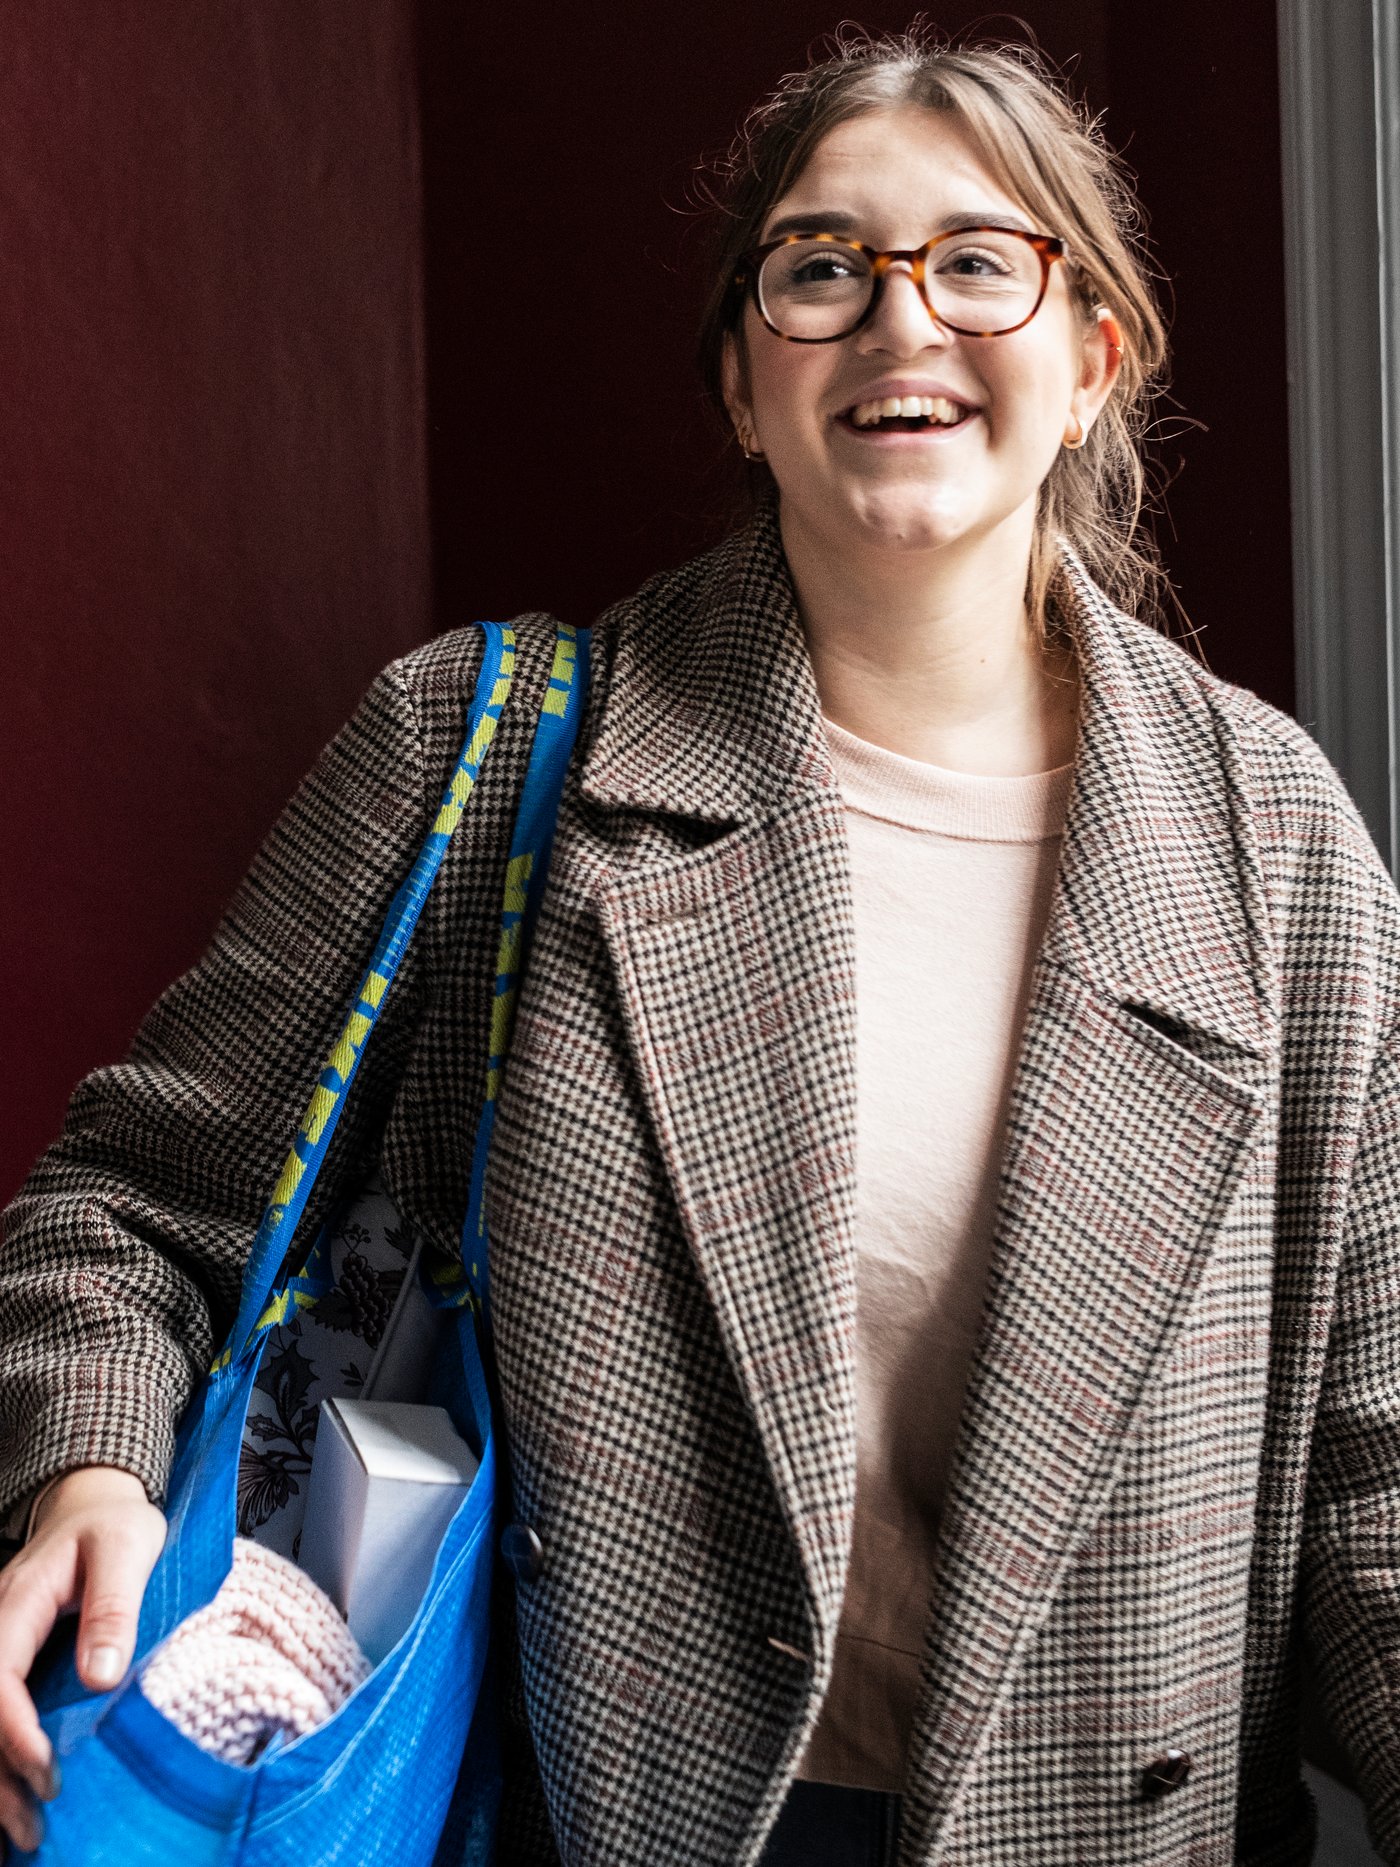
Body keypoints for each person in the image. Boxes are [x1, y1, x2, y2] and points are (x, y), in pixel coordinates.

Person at [1, 20, 1397, 1866]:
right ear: (746, 380)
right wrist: (84, 1461)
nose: (902, 320)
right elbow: (138, 1197)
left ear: (1092, 359)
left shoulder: (1270, 837)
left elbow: (1378, 1471)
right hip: (597, 1813)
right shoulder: (486, 754)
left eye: (980, 262)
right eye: (822, 269)